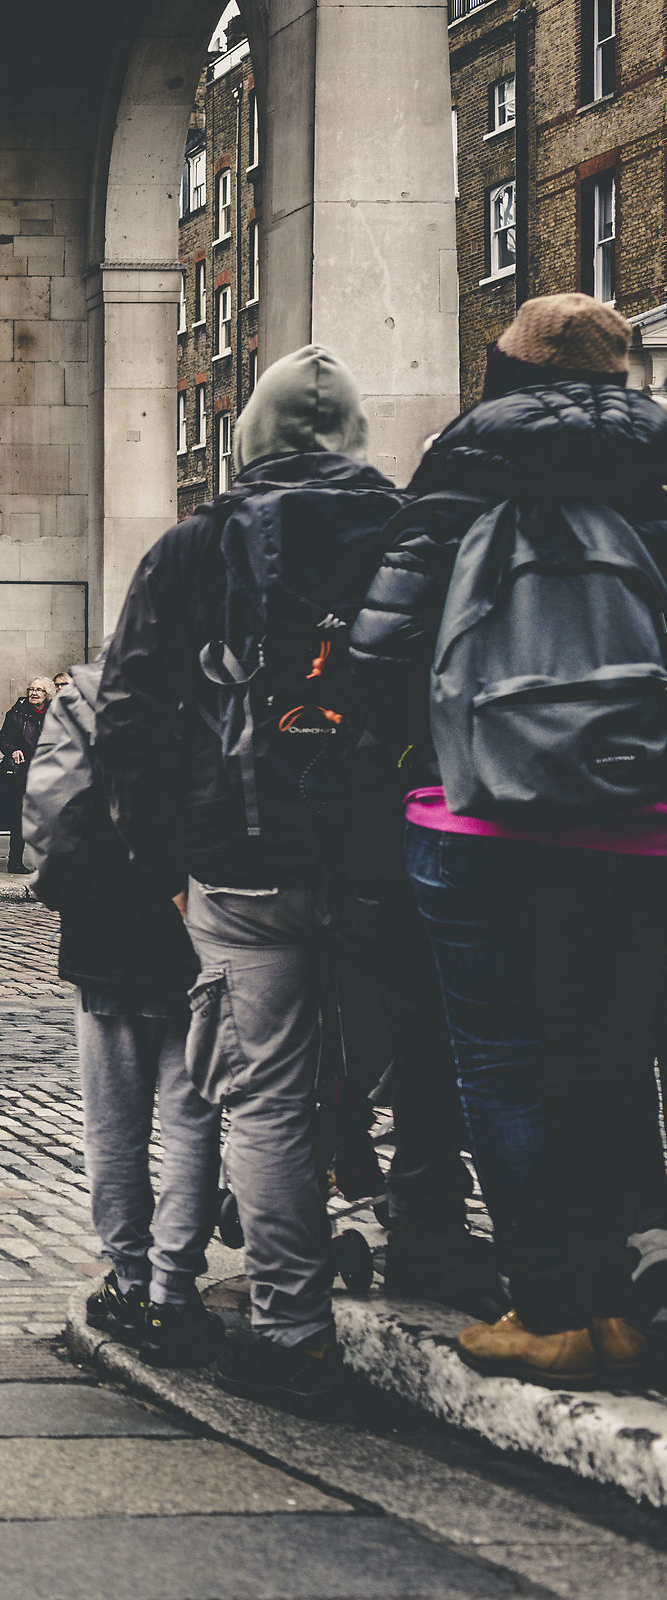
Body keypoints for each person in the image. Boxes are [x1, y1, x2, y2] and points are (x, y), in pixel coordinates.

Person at [350, 294, 667, 1386]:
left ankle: (549, 1310)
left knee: (501, 1059)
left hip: (477, 807)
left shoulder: (466, 460)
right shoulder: (659, 462)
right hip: (640, 818)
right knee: (617, 1055)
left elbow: (381, 647)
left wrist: (390, 754)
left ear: (509, 366)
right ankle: (632, 1293)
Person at [95, 343, 408, 1412]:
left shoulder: (194, 550)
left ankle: (289, 1325)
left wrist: (163, 866)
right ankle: (422, 1247)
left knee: (265, 1096)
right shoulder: (416, 534)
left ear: (250, 441)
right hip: (390, 854)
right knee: (414, 1074)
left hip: (242, 859)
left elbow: (128, 721)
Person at [38, 666, 220, 1369]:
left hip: (107, 923)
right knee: (192, 1118)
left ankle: (131, 1277)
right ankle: (173, 1289)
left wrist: (64, 895)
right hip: (194, 924)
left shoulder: (89, 698)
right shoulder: (215, 686)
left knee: (114, 1122)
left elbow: (52, 817)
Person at [0, 677, 51, 875]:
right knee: (20, 819)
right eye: (31, 689)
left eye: (39, 690)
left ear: (47, 694)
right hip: (24, 772)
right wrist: (13, 750)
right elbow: (2, 739)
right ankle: (15, 862)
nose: (34, 693)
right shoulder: (16, 713)